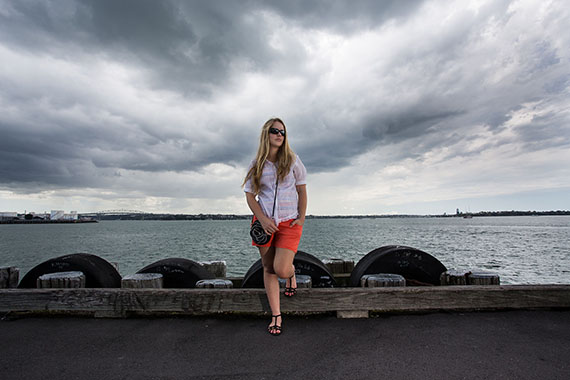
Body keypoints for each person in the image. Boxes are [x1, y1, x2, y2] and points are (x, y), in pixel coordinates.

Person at [243, 117, 307, 336]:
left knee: (281, 268)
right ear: (266, 134)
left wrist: (301, 218)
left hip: (289, 221)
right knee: (268, 268)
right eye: (275, 131)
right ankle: (276, 315)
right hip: (265, 224)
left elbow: (302, 190)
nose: (279, 134)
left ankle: (291, 274)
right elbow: (250, 196)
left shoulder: (293, 160)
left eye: (283, 132)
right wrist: (262, 219)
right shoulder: (257, 163)